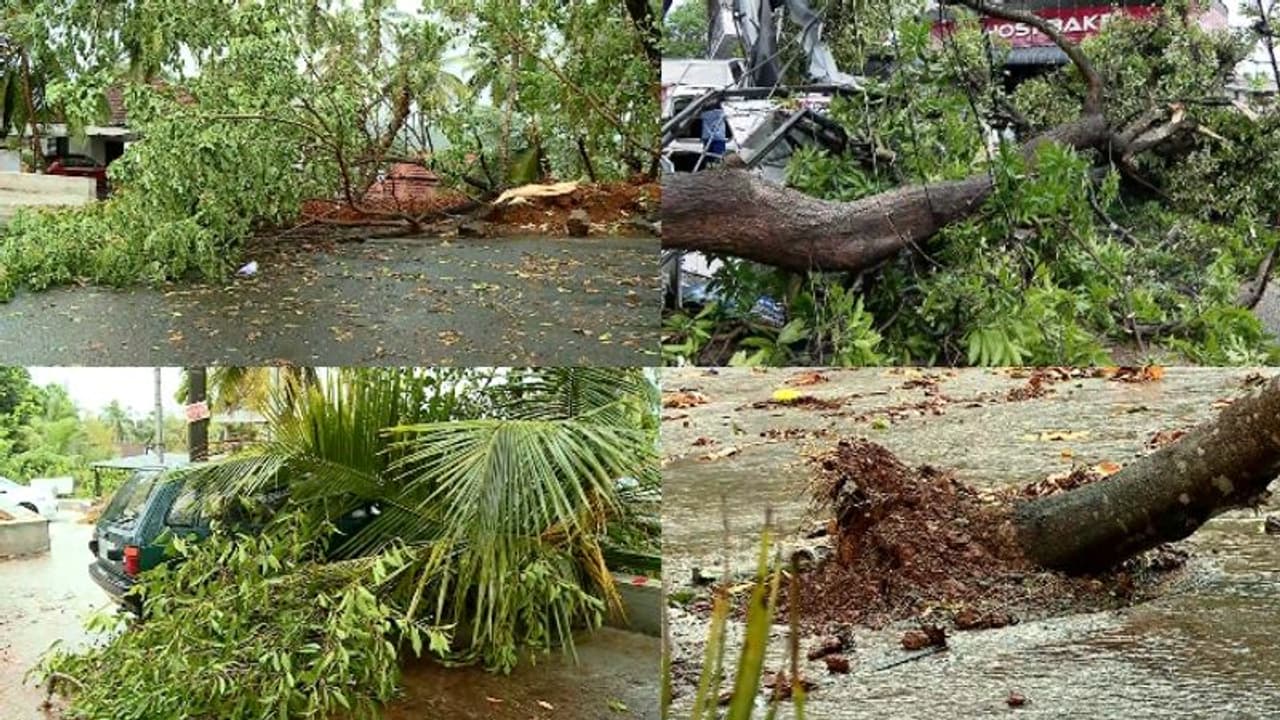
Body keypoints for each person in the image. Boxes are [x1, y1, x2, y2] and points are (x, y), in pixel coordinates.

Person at [699, 101, 727, 168]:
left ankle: (709, 170)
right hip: (718, 138)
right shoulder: (722, 113)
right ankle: (716, 170)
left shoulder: (703, 114)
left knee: (709, 158)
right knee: (718, 158)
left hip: (708, 137)